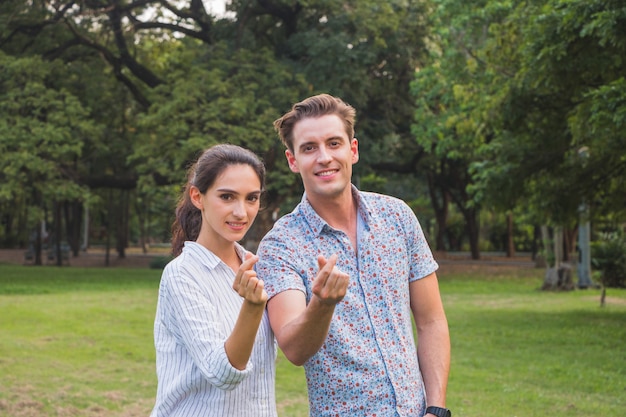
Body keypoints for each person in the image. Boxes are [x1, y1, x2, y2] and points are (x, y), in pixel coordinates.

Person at [255, 94, 451, 417]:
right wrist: (322, 305)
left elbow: (431, 321)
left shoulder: (398, 217)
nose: (324, 157)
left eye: (334, 143)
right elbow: (293, 347)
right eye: (309, 148)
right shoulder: (281, 245)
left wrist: (436, 408)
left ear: (353, 150)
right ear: (292, 161)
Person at [150, 144, 277, 417]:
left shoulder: (257, 268)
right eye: (227, 197)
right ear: (198, 196)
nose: (241, 212)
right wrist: (252, 308)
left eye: (251, 198)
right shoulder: (182, 274)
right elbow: (222, 373)